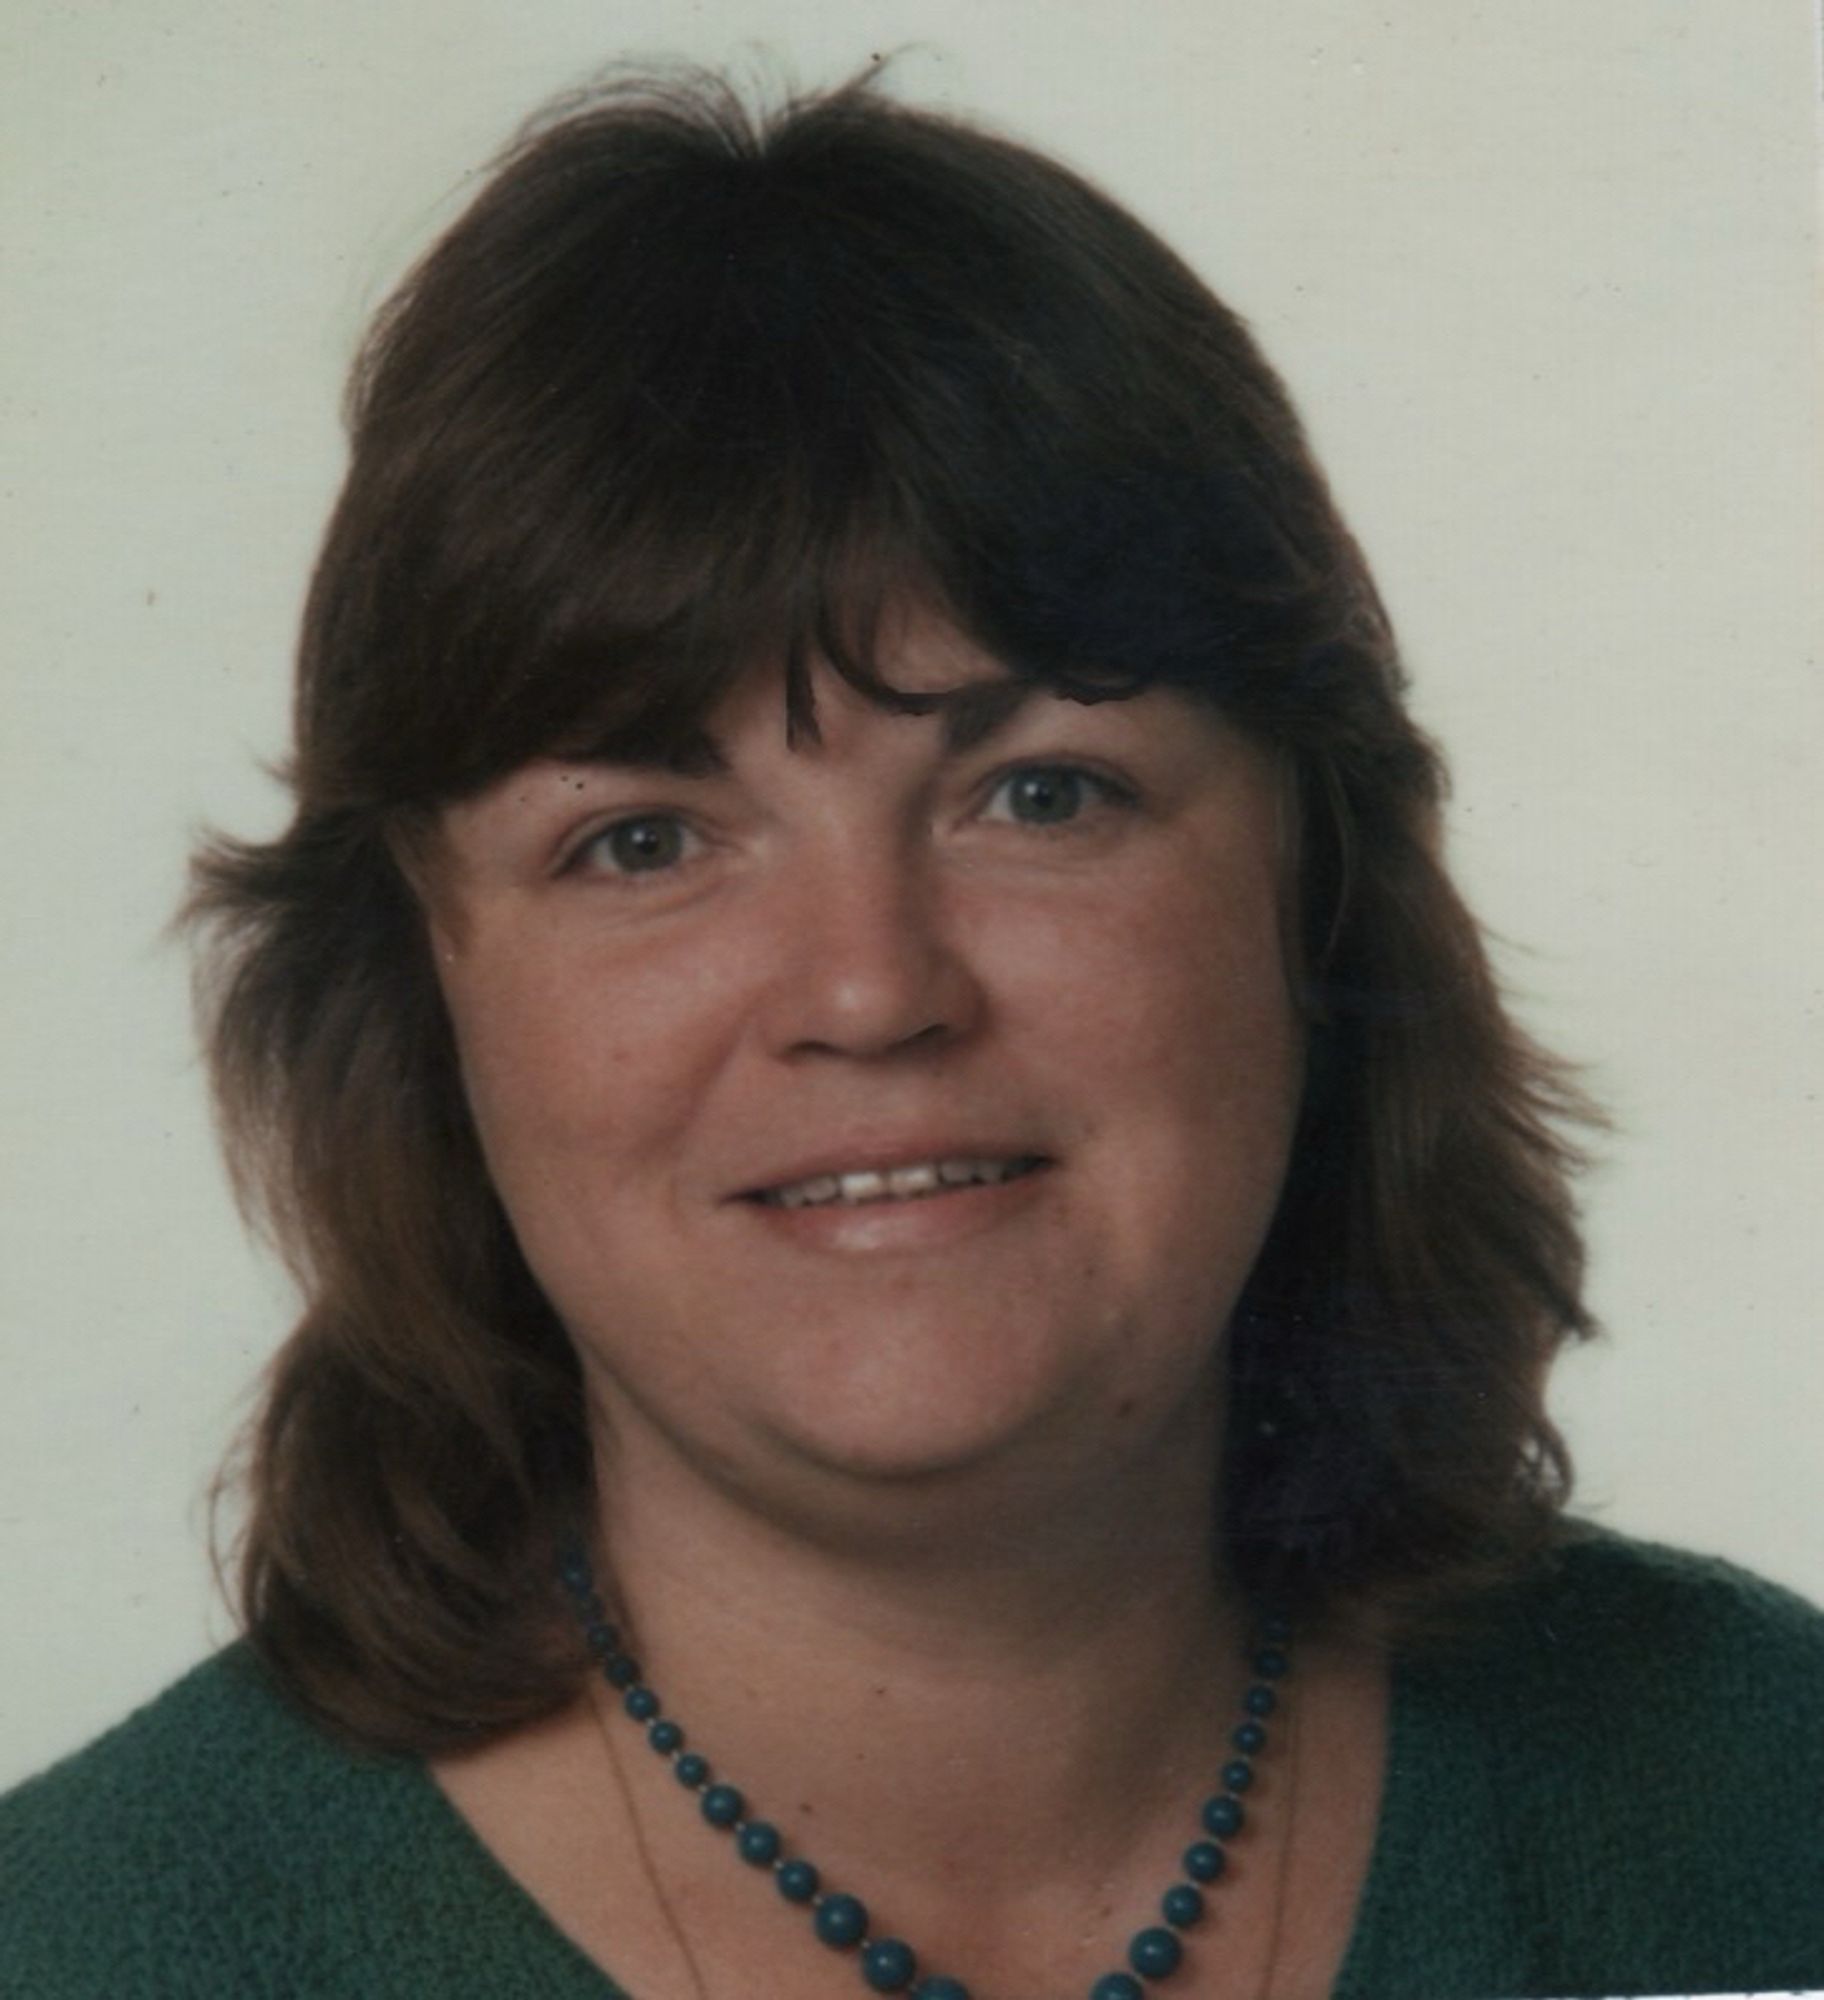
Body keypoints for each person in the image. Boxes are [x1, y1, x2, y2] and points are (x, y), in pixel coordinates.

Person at [2, 66, 1819, 2000]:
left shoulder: (1765, 1806)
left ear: (1320, 888)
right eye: (643, 840)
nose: (870, 992)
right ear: (418, 991)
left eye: (1041, 795)